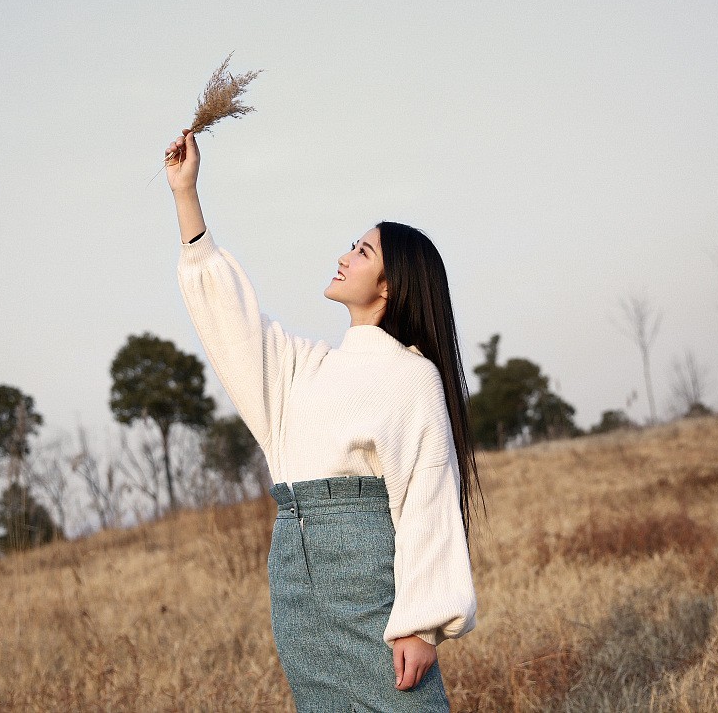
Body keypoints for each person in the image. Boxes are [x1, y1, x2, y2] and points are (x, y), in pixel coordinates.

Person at [166, 129, 483, 712]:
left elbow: (427, 498)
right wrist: (187, 196)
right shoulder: (305, 370)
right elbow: (234, 326)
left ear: (390, 286)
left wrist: (421, 623)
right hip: (295, 578)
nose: (343, 256)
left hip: (366, 584)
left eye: (362, 253)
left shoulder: (413, 378)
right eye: (351, 246)